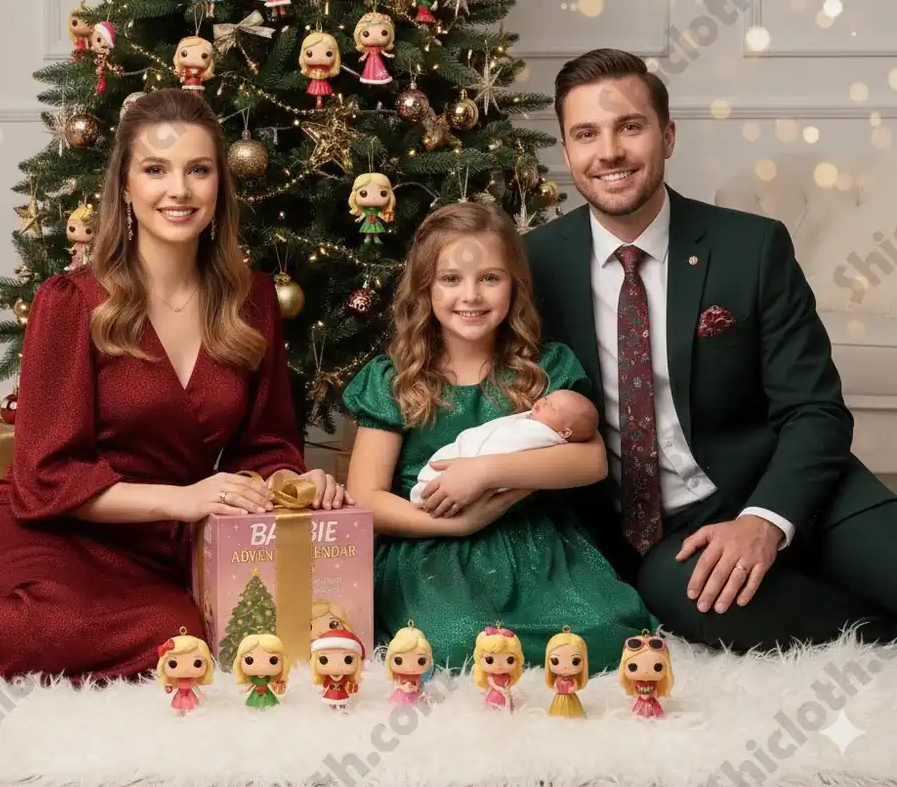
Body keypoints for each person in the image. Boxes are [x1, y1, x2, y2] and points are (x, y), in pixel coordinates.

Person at [0, 89, 347, 685]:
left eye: (198, 170)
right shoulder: (71, 299)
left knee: (179, 640)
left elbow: (264, 445)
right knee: (51, 630)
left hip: (157, 550)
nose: (179, 190)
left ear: (220, 185)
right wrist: (182, 500)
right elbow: (46, 475)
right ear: (126, 187)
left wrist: (292, 482)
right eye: (155, 169)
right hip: (49, 530)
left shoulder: (253, 299)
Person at [524, 48, 897, 653]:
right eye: (586, 134)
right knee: (684, 594)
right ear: (567, 153)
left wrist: (765, 520)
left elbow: (815, 410)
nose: (609, 151)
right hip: (666, 531)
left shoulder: (751, 246)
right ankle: (877, 637)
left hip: (789, 486)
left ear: (667, 136)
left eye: (630, 127)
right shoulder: (532, 265)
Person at [343, 201, 655, 673]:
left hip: (534, 547)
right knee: (457, 648)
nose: (471, 295)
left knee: (609, 635)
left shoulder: (543, 369)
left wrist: (486, 472)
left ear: (515, 285)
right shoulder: (395, 381)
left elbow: (590, 462)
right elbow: (364, 499)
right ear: (425, 288)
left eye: (490, 278)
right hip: (430, 551)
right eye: (451, 279)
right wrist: (458, 525)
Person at [409, 388, 599, 504]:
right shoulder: (531, 421)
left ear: (565, 433)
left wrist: (480, 471)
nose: (541, 403)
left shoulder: (542, 436)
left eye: (552, 407)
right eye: (546, 398)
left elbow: (506, 445)